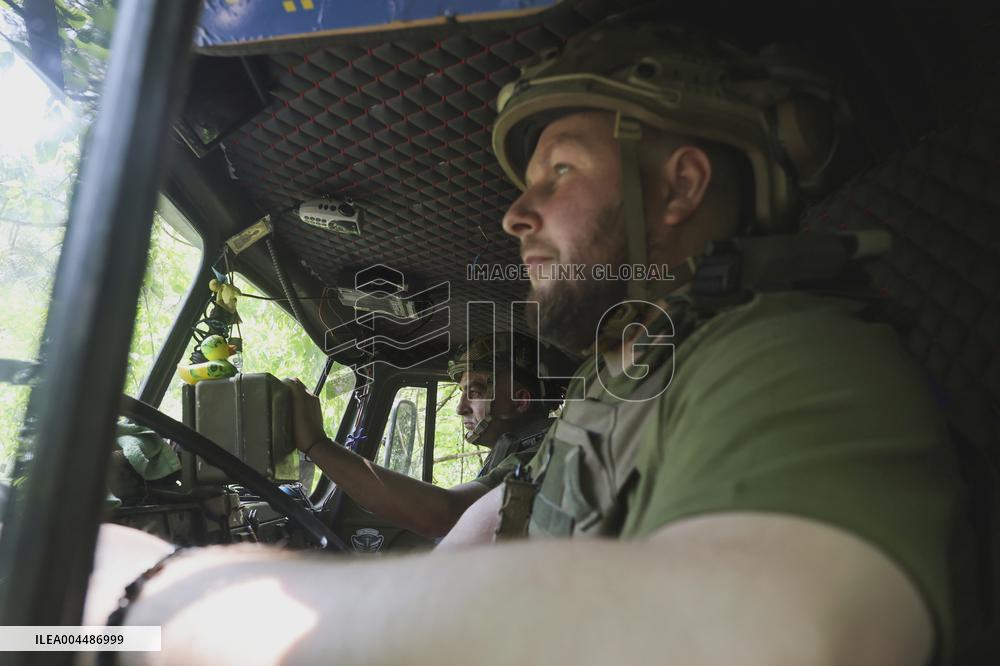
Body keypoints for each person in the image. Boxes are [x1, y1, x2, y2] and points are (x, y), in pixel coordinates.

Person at [81, 16, 990, 666]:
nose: (515, 214)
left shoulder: (797, 358)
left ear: (677, 187)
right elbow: (486, 519)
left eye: (559, 171)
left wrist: (171, 602)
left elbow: (780, 636)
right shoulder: (618, 382)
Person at [283, 332, 569, 539]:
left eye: (475, 393)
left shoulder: (541, 455)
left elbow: (446, 514)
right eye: (461, 395)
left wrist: (317, 445)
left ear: (520, 401)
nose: (460, 408)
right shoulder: (511, 450)